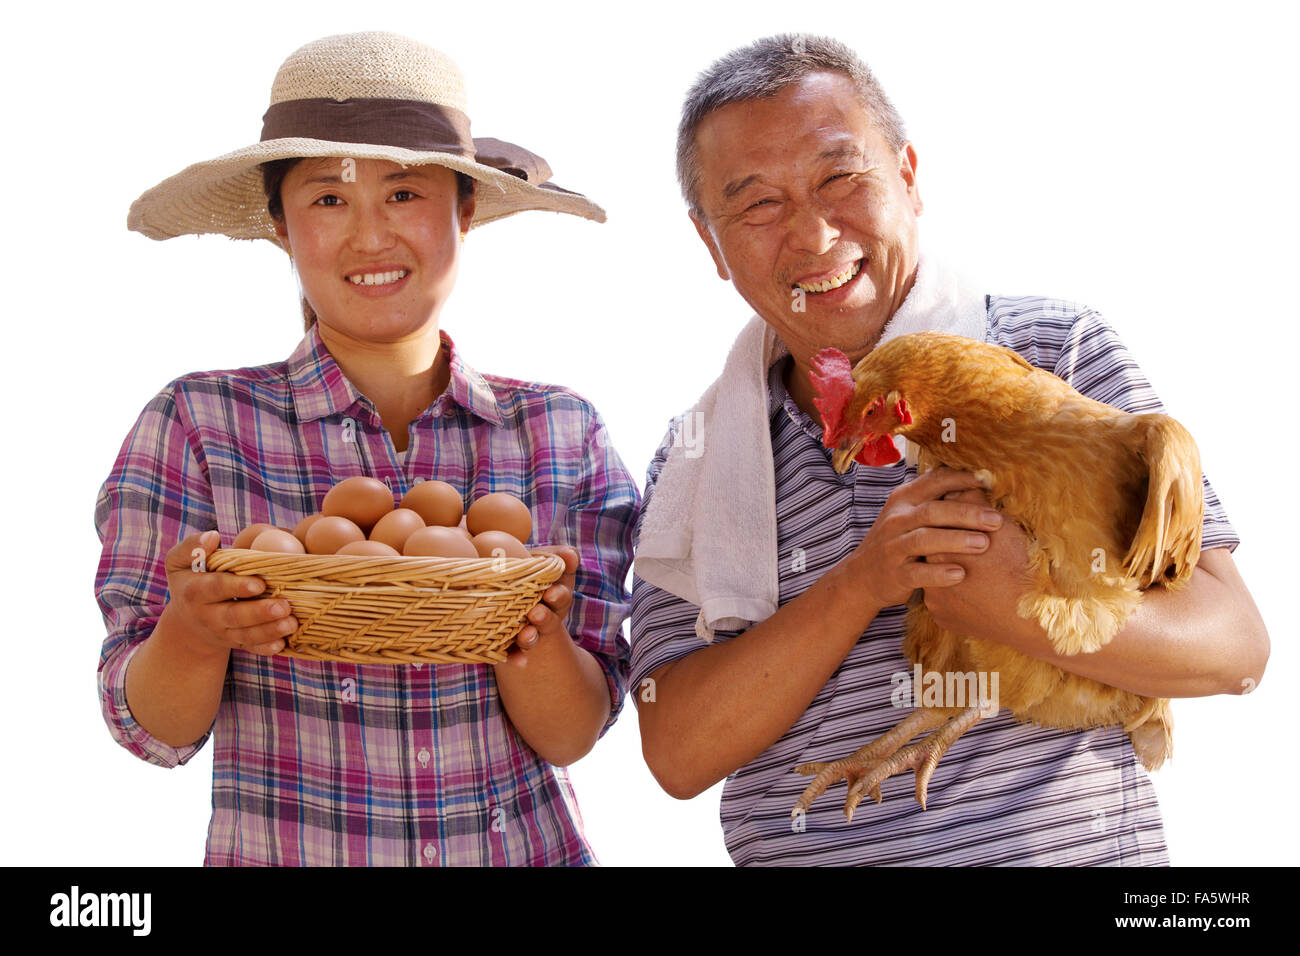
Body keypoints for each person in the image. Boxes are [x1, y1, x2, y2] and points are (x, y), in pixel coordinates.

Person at [629, 33, 1269, 865]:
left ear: (909, 177)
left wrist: (1020, 607)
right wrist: (863, 583)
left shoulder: (1057, 352)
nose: (816, 237)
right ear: (710, 243)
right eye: (758, 205)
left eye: (840, 176)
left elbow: (1233, 648)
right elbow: (677, 752)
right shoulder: (699, 459)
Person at [94, 31, 638, 866]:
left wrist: (529, 631)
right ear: (279, 224)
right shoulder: (198, 426)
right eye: (327, 199)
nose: (371, 236)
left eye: (406, 193)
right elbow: (150, 732)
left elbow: (573, 733)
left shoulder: (559, 434)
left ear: (464, 211)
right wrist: (194, 634)